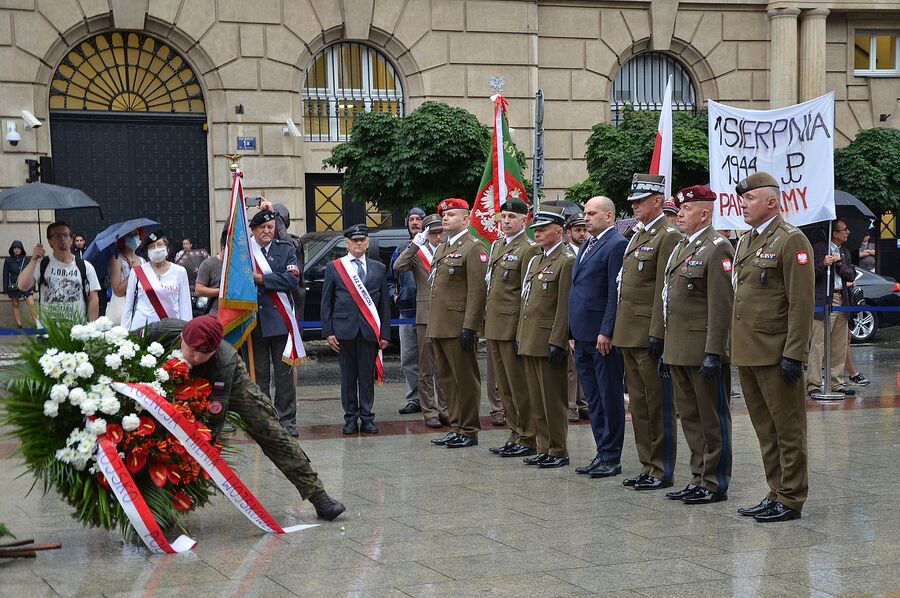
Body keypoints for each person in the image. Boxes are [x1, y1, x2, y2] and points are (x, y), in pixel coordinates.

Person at [147, 316, 345, 521]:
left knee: (269, 428)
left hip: (229, 384)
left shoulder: (224, 361)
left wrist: (195, 463)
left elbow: (213, 421)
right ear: (182, 337)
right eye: (192, 350)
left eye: (203, 353)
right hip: (164, 383)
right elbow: (128, 353)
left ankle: (318, 495)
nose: (195, 358)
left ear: (214, 350)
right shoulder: (161, 332)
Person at [732, 172, 814, 523]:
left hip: (776, 352)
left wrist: (794, 354)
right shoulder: (746, 241)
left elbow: (801, 303)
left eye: (750, 199)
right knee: (765, 429)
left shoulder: (790, 240)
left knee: (787, 429)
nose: (743, 204)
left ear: (771, 201)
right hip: (749, 350)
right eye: (743, 199)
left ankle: (792, 497)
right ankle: (776, 490)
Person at [661, 185, 734, 505]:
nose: (679, 214)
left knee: (711, 419)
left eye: (686, 209)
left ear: (704, 214)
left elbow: (721, 305)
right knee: (690, 417)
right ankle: (698, 475)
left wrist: (715, 351)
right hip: (679, 347)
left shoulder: (717, 247)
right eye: (679, 209)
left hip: (703, 349)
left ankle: (715, 481)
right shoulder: (682, 247)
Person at [613, 174, 682, 491]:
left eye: (640, 200)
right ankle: (647, 464)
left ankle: (662, 468)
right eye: (633, 201)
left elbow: (662, 291)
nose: (634, 205)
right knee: (639, 405)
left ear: (657, 201)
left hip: (647, 333)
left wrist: (658, 332)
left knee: (657, 405)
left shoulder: (667, 236)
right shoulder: (637, 234)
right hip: (629, 331)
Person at [569, 197, 627, 478]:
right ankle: (601, 451)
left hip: (601, 337)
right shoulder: (587, 244)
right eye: (585, 213)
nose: (586, 218)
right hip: (582, 334)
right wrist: (571, 331)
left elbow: (614, 292)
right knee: (593, 397)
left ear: (609, 216)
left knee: (608, 396)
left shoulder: (616, 244)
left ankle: (612, 456)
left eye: (592, 213)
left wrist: (608, 330)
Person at [427, 198, 488, 449]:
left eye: (451, 214)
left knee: (465, 380)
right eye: (444, 214)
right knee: (448, 380)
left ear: (465, 219)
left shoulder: (473, 247)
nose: (445, 218)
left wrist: (470, 326)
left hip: (458, 325)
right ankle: (456, 426)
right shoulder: (442, 247)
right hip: (440, 324)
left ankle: (469, 429)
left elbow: (477, 290)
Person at [517, 206, 575, 468]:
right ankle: (543, 446)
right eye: (536, 229)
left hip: (548, 339)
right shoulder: (536, 260)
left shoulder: (566, 260)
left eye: (543, 229)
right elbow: (527, 301)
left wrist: (557, 341)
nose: (537, 233)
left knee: (552, 399)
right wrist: (520, 335)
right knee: (537, 399)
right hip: (530, 338)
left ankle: (558, 449)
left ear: (559, 231)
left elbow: (563, 306)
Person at [484, 199, 541, 458]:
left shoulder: (527, 249)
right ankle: (515, 432)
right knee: (504, 386)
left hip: (512, 325)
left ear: (524, 220)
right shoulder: (498, 245)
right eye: (503, 217)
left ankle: (528, 436)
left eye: (511, 217)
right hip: (495, 325)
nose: (506, 221)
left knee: (519, 385)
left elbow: (526, 293)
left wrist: (521, 331)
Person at [321, 224, 391, 435]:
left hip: (369, 331)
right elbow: (327, 302)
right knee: (348, 377)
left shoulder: (379, 268)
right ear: (346, 243)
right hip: (344, 330)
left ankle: (367, 417)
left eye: (362, 240)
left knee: (366, 377)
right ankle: (350, 418)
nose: (359, 243)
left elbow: (384, 304)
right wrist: (328, 332)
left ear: (368, 243)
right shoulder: (335, 267)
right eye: (354, 240)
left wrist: (385, 333)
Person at [247, 209, 304, 438]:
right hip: (255, 323)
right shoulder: (245, 253)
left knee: (284, 375)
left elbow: (292, 279)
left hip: (280, 322)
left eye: (270, 227)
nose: (267, 231)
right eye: (262, 227)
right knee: (259, 375)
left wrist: (262, 279)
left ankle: (287, 420)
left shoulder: (285, 249)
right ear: (253, 230)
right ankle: (264, 420)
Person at [392, 213, 449, 428]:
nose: (438, 237)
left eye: (440, 232)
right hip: (424, 315)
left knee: (444, 366)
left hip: (446, 313)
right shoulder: (417, 252)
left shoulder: (449, 249)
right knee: (425, 367)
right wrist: (416, 244)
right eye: (433, 233)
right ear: (427, 234)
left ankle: (445, 409)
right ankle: (430, 411)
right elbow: (398, 266)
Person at [807, 219, 857, 397]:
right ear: (834, 233)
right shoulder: (819, 248)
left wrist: (839, 263)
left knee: (839, 344)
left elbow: (851, 274)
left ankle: (836, 382)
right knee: (818, 343)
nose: (847, 232)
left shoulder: (844, 251)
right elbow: (810, 273)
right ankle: (813, 383)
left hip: (841, 299)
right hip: (824, 300)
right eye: (844, 230)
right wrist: (823, 264)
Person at [17, 220, 101, 322]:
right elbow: (22, 286)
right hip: (49, 328)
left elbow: (93, 298)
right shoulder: (42, 264)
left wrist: (91, 327)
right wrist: (34, 259)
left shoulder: (85, 266)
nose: (62, 238)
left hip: (77, 328)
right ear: (50, 241)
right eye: (57, 236)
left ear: (71, 239)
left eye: (65, 235)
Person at [389, 207, 426, 415]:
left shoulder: (433, 246)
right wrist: (395, 297)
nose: (415, 222)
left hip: (429, 312)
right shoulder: (402, 248)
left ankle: (435, 400)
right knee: (409, 358)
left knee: (432, 359)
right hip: (407, 313)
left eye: (419, 219)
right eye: (411, 219)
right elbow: (390, 278)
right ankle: (414, 399)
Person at [121, 230, 192, 330]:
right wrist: (124, 332)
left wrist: (186, 331)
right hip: (142, 329)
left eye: (159, 245)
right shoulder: (137, 272)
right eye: (151, 247)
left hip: (170, 329)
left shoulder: (179, 271)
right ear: (147, 252)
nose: (156, 249)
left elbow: (185, 306)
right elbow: (128, 306)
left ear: (167, 248)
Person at [564, 213, 589, 422]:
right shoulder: (567, 254)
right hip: (569, 313)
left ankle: (583, 403)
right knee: (571, 365)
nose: (582, 234)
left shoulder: (588, 250)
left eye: (584, 229)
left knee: (583, 363)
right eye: (577, 230)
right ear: (568, 233)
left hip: (584, 313)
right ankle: (571, 404)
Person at [105, 230, 146, 325]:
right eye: (130, 235)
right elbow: (118, 291)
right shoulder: (116, 260)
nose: (134, 238)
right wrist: (134, 272)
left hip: (140, 310)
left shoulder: (142, 260)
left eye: (136, 234)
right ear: (123, 238)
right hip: (121, 312)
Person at [3, 241, 34, 327]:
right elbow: (5, 275)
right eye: (15, 248)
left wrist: (32, 287)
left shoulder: (26, 259)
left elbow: (31, 274)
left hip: (25, 285)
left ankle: (37, 323)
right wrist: (5, 289)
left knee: (31, 304)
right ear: (12, 249)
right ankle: (19, 324)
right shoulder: (8, 260)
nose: (17, 250)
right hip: (14, 285)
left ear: (21, 249)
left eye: (18, 248)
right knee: (15, 304)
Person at [194, 232, 226, 316]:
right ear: (223, 248)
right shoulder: (208, 264)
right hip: (216, 312)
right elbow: (198, 290)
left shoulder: (241, 264)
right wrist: (222, 291)